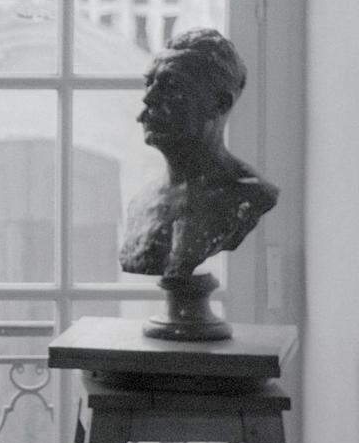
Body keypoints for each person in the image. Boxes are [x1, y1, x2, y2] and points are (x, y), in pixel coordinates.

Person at [118, 27, 278, 277]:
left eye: (171, 86)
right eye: (149, 83)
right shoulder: (141, 202)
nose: (149, 99)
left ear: (219, 104)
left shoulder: (249, 197)